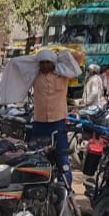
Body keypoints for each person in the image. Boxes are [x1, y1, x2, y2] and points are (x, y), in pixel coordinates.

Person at [32, 48, 81, 181]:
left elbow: (79, 57)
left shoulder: (63, 75)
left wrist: (61, 55)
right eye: (42, 62)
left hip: (58, 123)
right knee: (39, 159)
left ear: (53, 63)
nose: (45, 65)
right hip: (40, 123)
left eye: (48, 62)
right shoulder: (34, 76)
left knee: (62, 157)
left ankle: (66, 189)